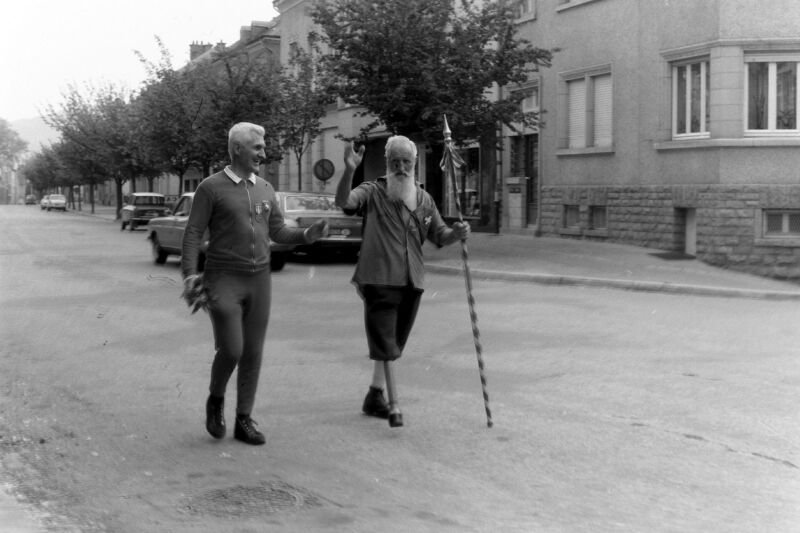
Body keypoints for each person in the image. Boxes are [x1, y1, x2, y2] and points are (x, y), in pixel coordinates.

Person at [182, 122, 328, 445]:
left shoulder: (265, 188)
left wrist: (306, 235)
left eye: (264, 147)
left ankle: (243, 419)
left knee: (253, 352)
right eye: (258, 147)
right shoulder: (210, 188)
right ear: (237, 149)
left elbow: (278, 231)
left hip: (260, 280)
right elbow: (192, 233)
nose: (264, 153)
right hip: (222, 278)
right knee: (232, 348)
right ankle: (216, 398)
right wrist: (190, 274)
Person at [335, 135, 470, 422]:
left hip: (412, 281)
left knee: (393, 343)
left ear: (414, 163)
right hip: (379, 278)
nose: (401, 168)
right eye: (395, 162)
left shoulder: (424, 199)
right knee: (386, 342)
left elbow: (440, 235)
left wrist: (457, 234)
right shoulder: (372, 191)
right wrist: (349, 170)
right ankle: (394, 405)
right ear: (387, 162)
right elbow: (344, 201)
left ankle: (374, 395)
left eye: (406, 162)